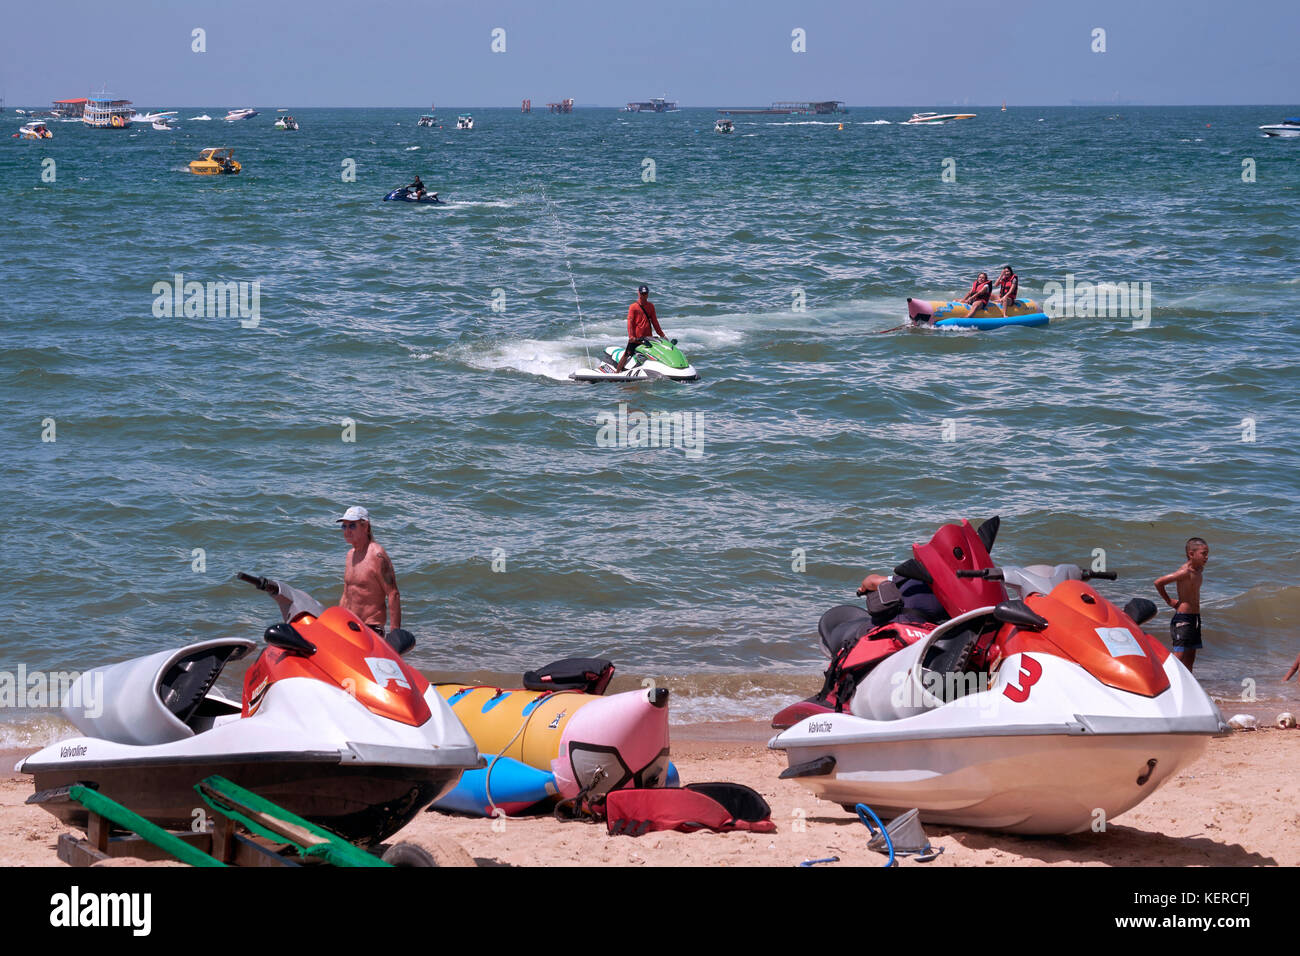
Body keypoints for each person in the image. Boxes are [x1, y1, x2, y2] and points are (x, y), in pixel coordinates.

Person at [337, 506, 401, 635]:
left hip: (370, 629)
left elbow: (393, 594)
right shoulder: (350, 555)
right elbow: (347, 593)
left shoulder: (377, 555)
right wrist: (338, 622)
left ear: (365, 527)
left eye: (352, 526)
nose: (347, 531)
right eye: (344, 526)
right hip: (349, 625)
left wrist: (395, 634)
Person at [1154, 537, 1209, 672]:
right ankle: (1162, 677)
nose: (1207, 557)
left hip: (1195, 618)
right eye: (1204, 553)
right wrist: (1169, 601)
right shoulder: (1185, 572)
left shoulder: (1199, 570)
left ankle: (1187, 686)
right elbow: (1159, 582)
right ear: (1191, 554)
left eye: (1207, 553)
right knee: (1179, 655)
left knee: (1191, 656)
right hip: (1183, 618)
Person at [612, 284, 667, 373]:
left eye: (645, 294)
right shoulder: (633, 307)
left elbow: (655, 322)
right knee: (627, 355)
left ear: (648, 294)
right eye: (642, 294)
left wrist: (662, 335)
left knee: (654, 355)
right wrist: (631, 337)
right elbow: (630, 322)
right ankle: (616, 373)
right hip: (636, 339)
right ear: (638, 293)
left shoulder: (651, 306)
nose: (644, 296)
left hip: (648, 338)